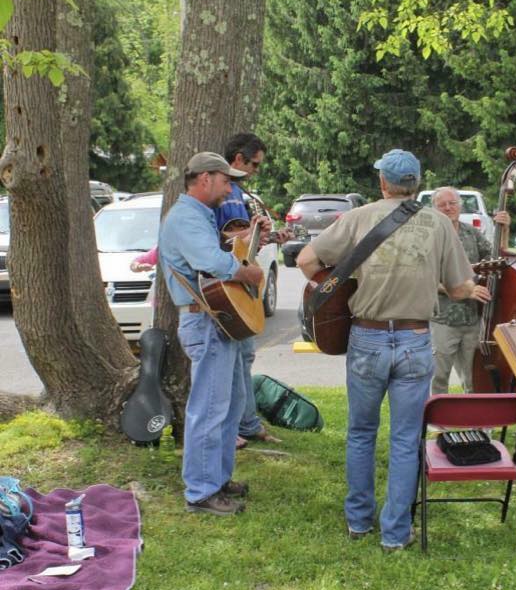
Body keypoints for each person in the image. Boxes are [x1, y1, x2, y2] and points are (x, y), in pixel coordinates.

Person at [296, 148, 490, 551]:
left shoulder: (358, 217)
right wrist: (468, 286)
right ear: (416, 185)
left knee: (361, 433)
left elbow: (305, 260)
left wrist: (345, 286)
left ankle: (358, 522)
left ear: (383, 182)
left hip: (366, 336)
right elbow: (458, 288)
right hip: (417, 338)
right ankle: (397, 533)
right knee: (405, 439)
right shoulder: (439, 224)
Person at [158, 152, 265, 515]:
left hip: (216, 320)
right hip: (206, 321)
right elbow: (212, 263)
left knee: (230, 404)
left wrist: (249, 241)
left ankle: (217, 479)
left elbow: (216, 255)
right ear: (205, 179)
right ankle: (201, 492)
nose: (229, 186)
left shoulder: (197, 216)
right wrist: (246, 272)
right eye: (225, 180)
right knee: (209, 408)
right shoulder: (187, 217)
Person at [215, 132, 289, 448]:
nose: (256, 171)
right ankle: (236, 426)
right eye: (254, 165)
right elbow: (230, 239)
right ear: (239, 160)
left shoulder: (236, 193)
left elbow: (246, 242)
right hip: (226, 285)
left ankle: (247, 422)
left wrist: (269, 236)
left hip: (239, 282)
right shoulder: (227, 193)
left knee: (243, 356)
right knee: (231, 361)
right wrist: (255, 229)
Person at [429, 186, 509, 394]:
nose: (448, 208)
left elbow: (497, 261)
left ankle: (473, 419)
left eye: (452, 203)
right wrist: (465, 290)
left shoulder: (470, 233)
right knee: (438, 377)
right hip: (442, 320)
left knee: (474, 378)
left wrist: (504, 230)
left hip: (473, 320)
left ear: (460, 205)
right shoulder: (429, 237)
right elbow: (425, 278)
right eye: (442, 205)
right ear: (434, 209)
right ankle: (437, 421)